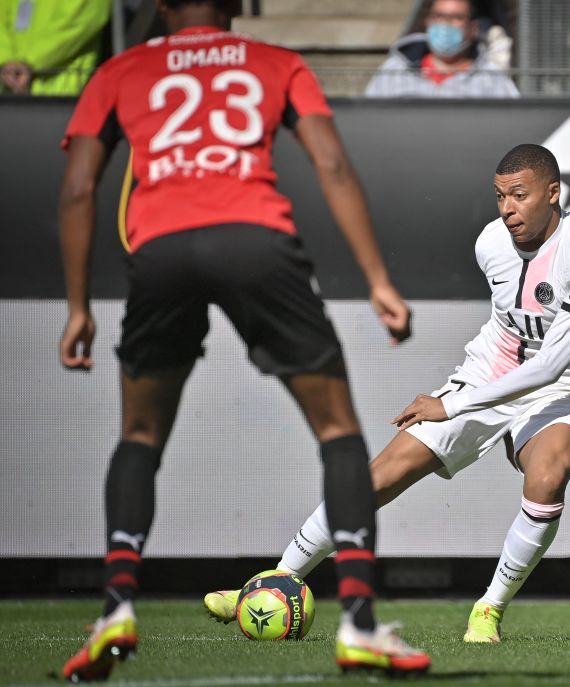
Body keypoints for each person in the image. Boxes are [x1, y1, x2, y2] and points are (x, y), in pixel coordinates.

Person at [57, 0, 429, 680]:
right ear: (236, 4)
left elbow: (80, 188)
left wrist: (78, 305)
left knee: (139, 436)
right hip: (255, 239)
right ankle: (359, 624)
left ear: (161, 6)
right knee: (339, 429)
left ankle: (115, 605)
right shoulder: (276, 62)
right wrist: (378, 279)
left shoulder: (119, 69)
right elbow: (334, 165)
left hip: (160, 246)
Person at [204, 144, 570, 645]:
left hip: (562, 387)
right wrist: (466, 395)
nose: (507, 208)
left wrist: (449, 405)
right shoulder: (491, 242)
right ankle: (271, 581)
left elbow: (551, 364)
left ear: (553, 194)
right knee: (378, 477)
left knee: (548, 476)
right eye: (499, 196)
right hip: (488, 375)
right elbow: (506, 330)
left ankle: (487, 610)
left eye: (519, 195)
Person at [364, 0, 519, 98]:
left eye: (456, 17)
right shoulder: (393, 71)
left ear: (473, 28)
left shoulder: (491, 78)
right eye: (438, 16)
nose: (445, 24)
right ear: (427, 22)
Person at [0, 0, 110, 95]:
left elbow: (80, 20)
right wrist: (4, 60)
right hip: (5, 93)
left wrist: (22, 64)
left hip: (65, 95)